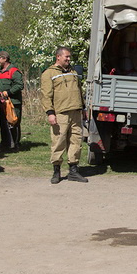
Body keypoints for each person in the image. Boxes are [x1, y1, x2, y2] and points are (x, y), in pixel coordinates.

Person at [41, 46, 88, 184]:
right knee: (58, 142)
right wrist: (50, 113)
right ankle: (56, 171)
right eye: (66, 56)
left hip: (76, 111)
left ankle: (73, 170)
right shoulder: (49, 73)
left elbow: (78, 90)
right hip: (60, 113)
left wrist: (83, 108)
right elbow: (46, 95)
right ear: (58, 57)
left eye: (69, 56)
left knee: (76, 141)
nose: (69, 59)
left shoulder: (73, 71)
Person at [0, 50, 24, 150]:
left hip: (13, 102)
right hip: (2, 102)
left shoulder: (14, 71)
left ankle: (15, 143)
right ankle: (5, 143)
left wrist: (8, 92)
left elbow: (19, 85)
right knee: (3, 123)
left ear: (5, 59)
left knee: (14, 122)